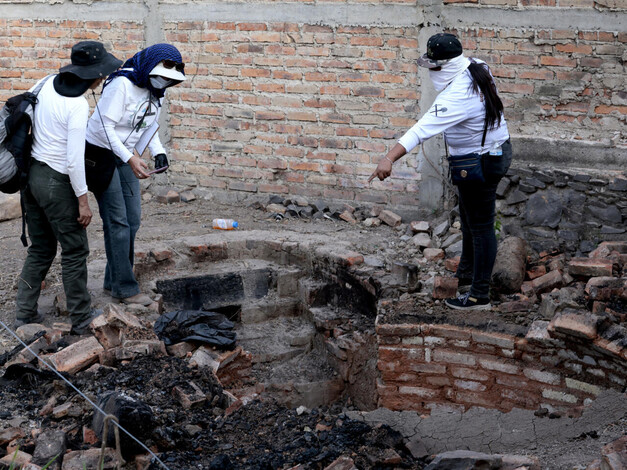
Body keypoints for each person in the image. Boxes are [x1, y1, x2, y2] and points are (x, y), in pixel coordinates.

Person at [368, 32, 512, 311]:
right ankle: (468, 275)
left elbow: (421, 129)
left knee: (482, 227)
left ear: (443, 65)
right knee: (470, 221)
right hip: (485, 154)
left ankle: (479, 296)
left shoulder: (458, 95)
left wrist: (389, 158)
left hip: (482, 161)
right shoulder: (476, 65)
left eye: (433, 65)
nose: (430, 70)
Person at [15, 41, 122, 334]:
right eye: (103, 74)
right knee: (75, 249)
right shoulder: (77, 105)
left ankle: (24, 314)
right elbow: (75, 161)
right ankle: (81, 316)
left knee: (41, 248)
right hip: (56, 181)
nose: (103, 79)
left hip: (31, 175)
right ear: (94, 75)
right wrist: (83, 201)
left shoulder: (46, 82)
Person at [85, 44, 186, 306]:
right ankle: (125, 289)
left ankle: (113, 280)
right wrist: (130, 158)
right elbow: (106, 126)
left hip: (126, 154)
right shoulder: (122, 85)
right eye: (161, 76)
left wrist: (158, 150)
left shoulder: (157, 92)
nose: (163, 82)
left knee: (133, 219)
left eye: (169, 80)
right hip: (100, 154)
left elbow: (149, 124)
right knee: (117, 222)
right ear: (148, 67)